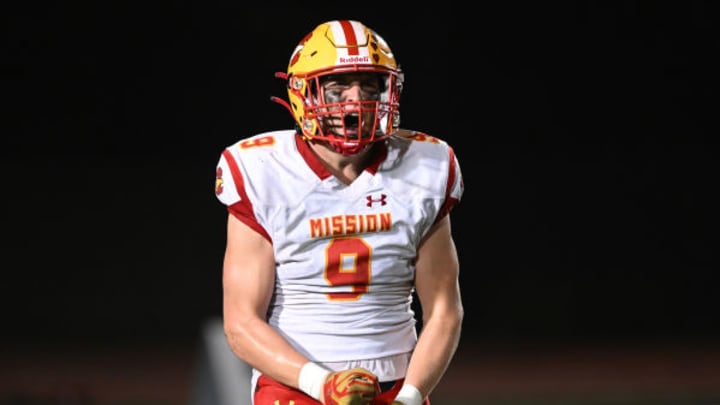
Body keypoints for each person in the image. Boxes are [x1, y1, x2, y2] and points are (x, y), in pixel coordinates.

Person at [214, 19, 464, 405]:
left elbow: (445, 310)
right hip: (296, 382)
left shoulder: (426, 166)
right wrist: (322, 384)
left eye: (370, 86)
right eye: (337, 89)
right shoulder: (262, 170)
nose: (356, 101)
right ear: (302, 95)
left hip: (397, 383)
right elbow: (240, 323)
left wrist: (410, 397)